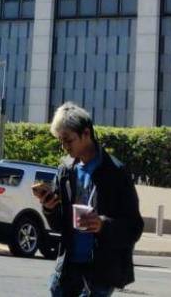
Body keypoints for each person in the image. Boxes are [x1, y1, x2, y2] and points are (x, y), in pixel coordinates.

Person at [34, 102, 143, 297]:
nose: (64, 147)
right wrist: (49, 208)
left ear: (86, 133)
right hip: (67, 270)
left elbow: (134, 227)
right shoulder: (66, 170)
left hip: (100, 273)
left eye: (68, 140)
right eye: (61, 141)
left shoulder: (115, 172)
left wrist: (102, 225)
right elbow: (59, 225)